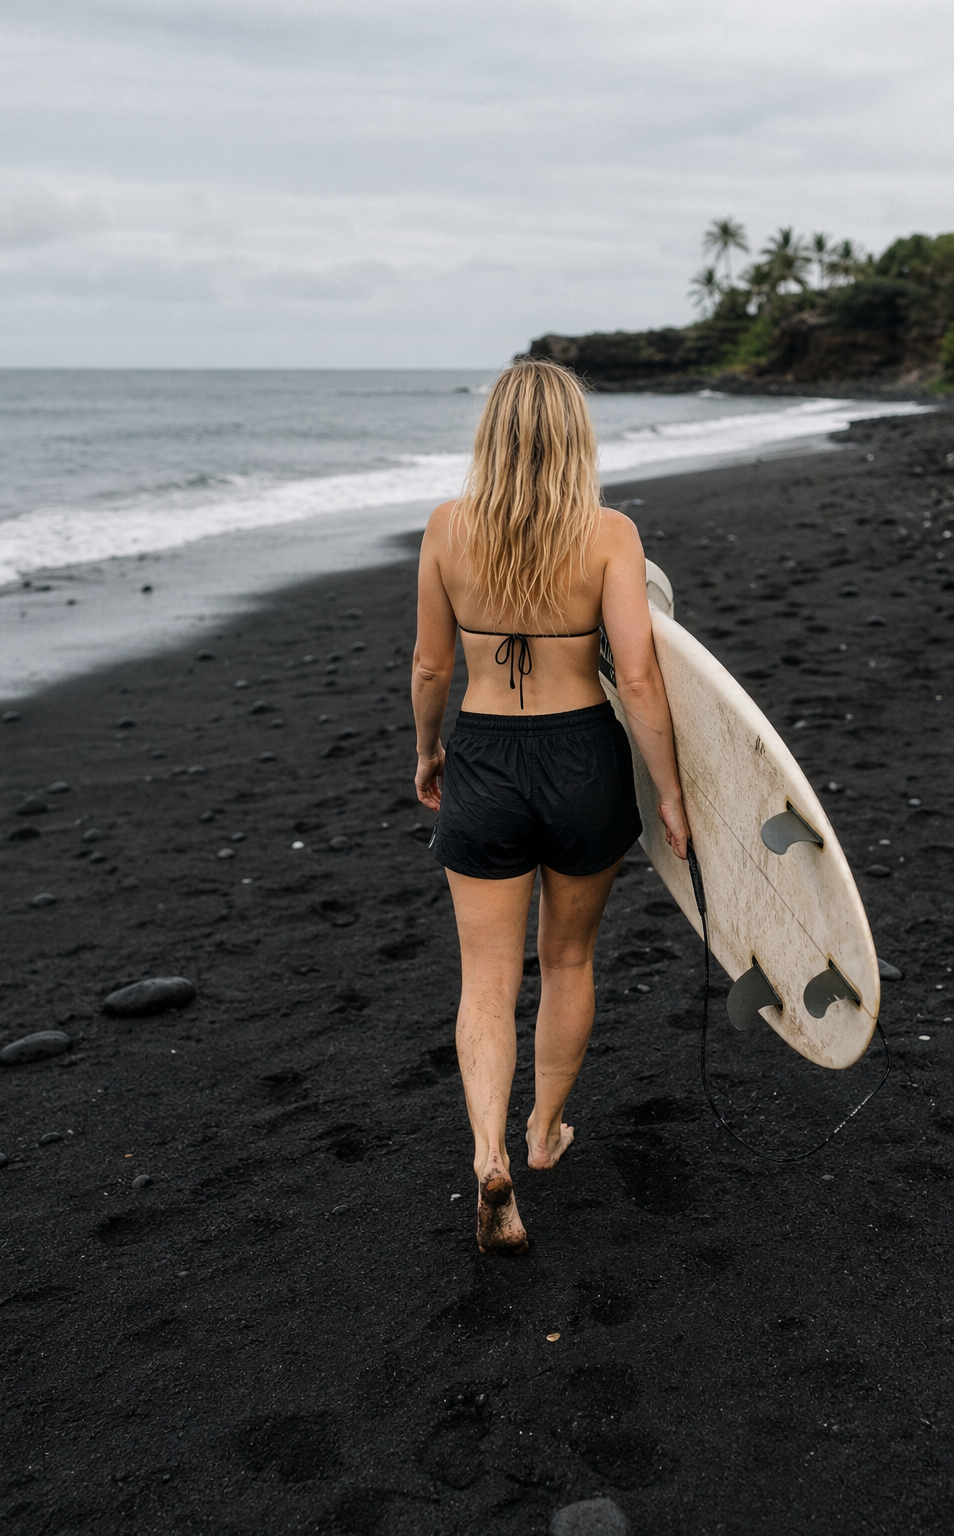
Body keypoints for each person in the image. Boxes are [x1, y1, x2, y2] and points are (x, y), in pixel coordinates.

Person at [412, 358, 691, 1255]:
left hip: (487, 758)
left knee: (485, 977)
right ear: (577, 438)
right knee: (567, 959)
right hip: (583, 760)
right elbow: (640, 677)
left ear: (492, 432)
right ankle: (543, 1133)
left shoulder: (449, 529)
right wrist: (674, 797)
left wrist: (429, 750)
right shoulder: (610, 534)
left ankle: (488, 1155)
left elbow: (431, 667)